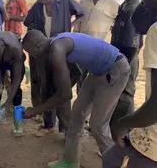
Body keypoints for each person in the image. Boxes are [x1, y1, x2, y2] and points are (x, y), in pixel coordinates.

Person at [22, 30, 130, 168]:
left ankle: (117, 165)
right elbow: (76, 73)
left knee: (98, 125)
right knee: (77, 115)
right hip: (97, 72)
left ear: (37, 46)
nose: (33, 56)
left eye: (31, 52)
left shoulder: (56, 50)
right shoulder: (56, 44)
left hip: (115, 69)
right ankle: (70, 161)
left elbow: (66, 95)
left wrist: (36, 110)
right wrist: (61, 92)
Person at [103, 0, 157, 168]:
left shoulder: (154, 29)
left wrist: (123, 125)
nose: (145, 2)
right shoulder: (125, 7)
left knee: (110, 159)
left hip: (151, 146)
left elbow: (155, 107)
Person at [23, 0, 84, 137]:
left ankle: (65, 129)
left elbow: (81, 12)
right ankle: (48, 124)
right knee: (46, 87)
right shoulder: (37, 7)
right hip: (44, 52)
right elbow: (27, 22)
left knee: (62, 90)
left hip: (62, 52)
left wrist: (70, 25)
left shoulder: (64, 1)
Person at [73, 0, 119, 94]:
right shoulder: (83, 2)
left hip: (99, 49)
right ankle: (80, 104)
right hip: (82, 47)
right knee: (80, 76)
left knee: (96, 78)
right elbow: (77, 23)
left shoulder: (112, 4)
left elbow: (119, 22)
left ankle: (92, 105)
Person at [109, 0, 142, 127]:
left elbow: (133, 45)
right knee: (117, 94)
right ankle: (115, 127)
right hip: (119, 59)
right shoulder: (124, 6)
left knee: (125, 95)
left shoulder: (134, 9)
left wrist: (123, 68)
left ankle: (124, 133)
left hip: (127, 60)